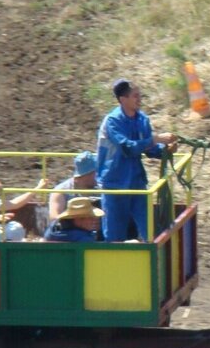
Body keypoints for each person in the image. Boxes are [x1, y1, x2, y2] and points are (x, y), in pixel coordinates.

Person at [97, 79, 178, 242]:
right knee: (115, 235)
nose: (139, 99)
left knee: (151, 231)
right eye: (135, 96)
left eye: (140, 95)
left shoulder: (142, 119)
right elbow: (127, 148)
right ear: (123, 99)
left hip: (136, 182)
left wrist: (165, 151)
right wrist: (156, 139)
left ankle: (155, 263)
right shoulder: (112, 121)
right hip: (114, 184)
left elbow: (150, 150)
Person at [49, 151, 98, 220]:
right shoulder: (61, 191)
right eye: (92, 173)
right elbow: (54, 218)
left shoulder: (101, 188)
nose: (95, 175)